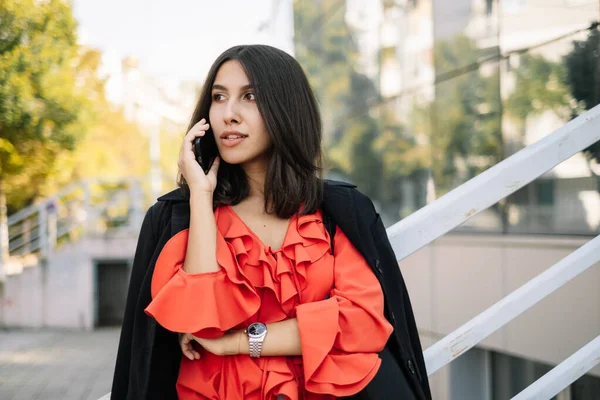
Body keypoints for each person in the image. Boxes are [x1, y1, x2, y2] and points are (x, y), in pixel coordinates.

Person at [110, 44, 432, 400]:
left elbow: (363, 323)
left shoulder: (339, 212)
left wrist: (238, 342)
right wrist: (200, 196)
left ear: (286, 109)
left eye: (249, 96)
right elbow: (199, 321)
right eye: (218, 97)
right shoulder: (176, 219)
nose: (228, 114)